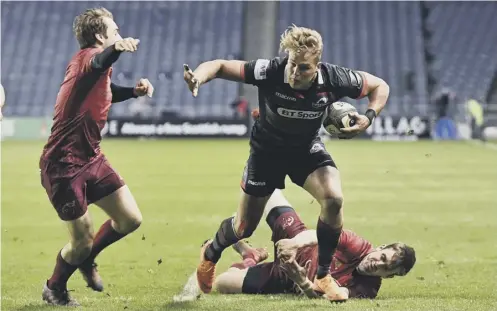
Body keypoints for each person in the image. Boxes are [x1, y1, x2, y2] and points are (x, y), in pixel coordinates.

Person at [183, 25, 390, 301]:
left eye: (303, 68)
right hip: (266, 152)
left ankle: (323, 275)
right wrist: (198, 76)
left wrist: (369, 116)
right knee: (244, 226)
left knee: (334, 199)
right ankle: (210, 254)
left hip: (305, 150)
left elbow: (380, 86)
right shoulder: (269, 71)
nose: (294, 73)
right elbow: (219, 66)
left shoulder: (335, 78)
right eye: (292, 64)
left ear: (317, 67)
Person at [39, 7, 154, 306]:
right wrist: (116, 47)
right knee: (80, 242)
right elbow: (101, 59)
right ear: (101, 36)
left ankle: (87, 258)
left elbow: (107, 90)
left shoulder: (96, 70)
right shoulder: (87, 60)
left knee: (130, 219)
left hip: (92, 158)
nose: (118, 32)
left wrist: (134, 92)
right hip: (63, 166)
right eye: (113, 30)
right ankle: (54, 288)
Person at [214, 190, 416, 299]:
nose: (377, 264)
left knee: (221, 284)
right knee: (267, 190)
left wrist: (300, 280)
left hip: (284, 278)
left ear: (387, 276)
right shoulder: (358, 246)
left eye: (385, 268)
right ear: (380, 248)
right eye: (382, 257)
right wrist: (293, 244)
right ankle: (243, 238)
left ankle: (250, 259)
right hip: (297, 239)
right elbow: (319, 235)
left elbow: (326, 298)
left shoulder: (367, 289)